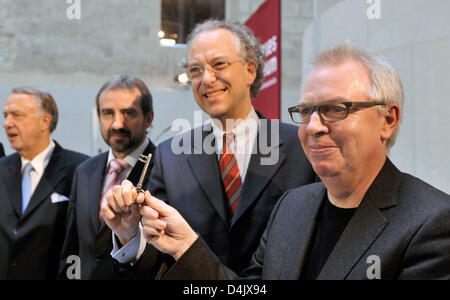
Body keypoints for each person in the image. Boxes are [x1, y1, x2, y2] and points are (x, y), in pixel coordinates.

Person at [136, 42, 450, 280]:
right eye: (305, 112)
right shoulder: (292, 207)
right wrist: (184, 246)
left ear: (388, 119)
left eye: (336, 109)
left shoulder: (431, 223)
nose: (313, 126)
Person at [102, 20, 316, 276]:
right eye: (195, 70)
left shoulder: (303, 146)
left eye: (219, 64)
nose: (207, 79)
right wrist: (129, 237)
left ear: (250, 70)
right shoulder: (172, 156)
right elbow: (159, 258)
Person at [58, 75, 157, 279]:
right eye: (108, 113)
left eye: (128, 113)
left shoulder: (166, 169)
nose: (117, 124)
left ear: (149, 118)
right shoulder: (85, 170)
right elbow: (73, 245)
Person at [0, 87, 88, 280]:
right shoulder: (1, 169)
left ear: (45, 121)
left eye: (17, 115)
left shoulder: (81, 169)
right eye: (5, 115)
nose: (7, 123)